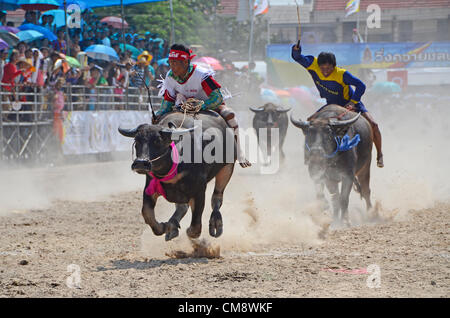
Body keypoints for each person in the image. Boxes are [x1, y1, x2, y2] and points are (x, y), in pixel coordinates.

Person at [154, 43, 251, 168]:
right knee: (159, 121)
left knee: (230, 115)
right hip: (184, 104)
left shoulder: (201, 74)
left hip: (208, 103)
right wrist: (159, 114)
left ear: (185, 63)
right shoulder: (170, 76)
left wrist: (200, 106)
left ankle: (239, 151)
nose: (171, 67)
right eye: (170, 63)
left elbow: (217, 97)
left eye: (175, 63)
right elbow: (168, 99)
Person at [291, 43, 384, 168]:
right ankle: (309, 155)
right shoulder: (313, 64)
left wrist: (353, 102)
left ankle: (379, 154)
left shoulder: (342, 74)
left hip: (350, 104)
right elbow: (297, 57)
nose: (325, 72)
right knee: (310, 123)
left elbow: (361, 85)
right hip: (331, 104)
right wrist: (296, 50)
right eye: (322, 68)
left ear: (334, 66)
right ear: (318, 66)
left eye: (328, 69)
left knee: (374, 125)